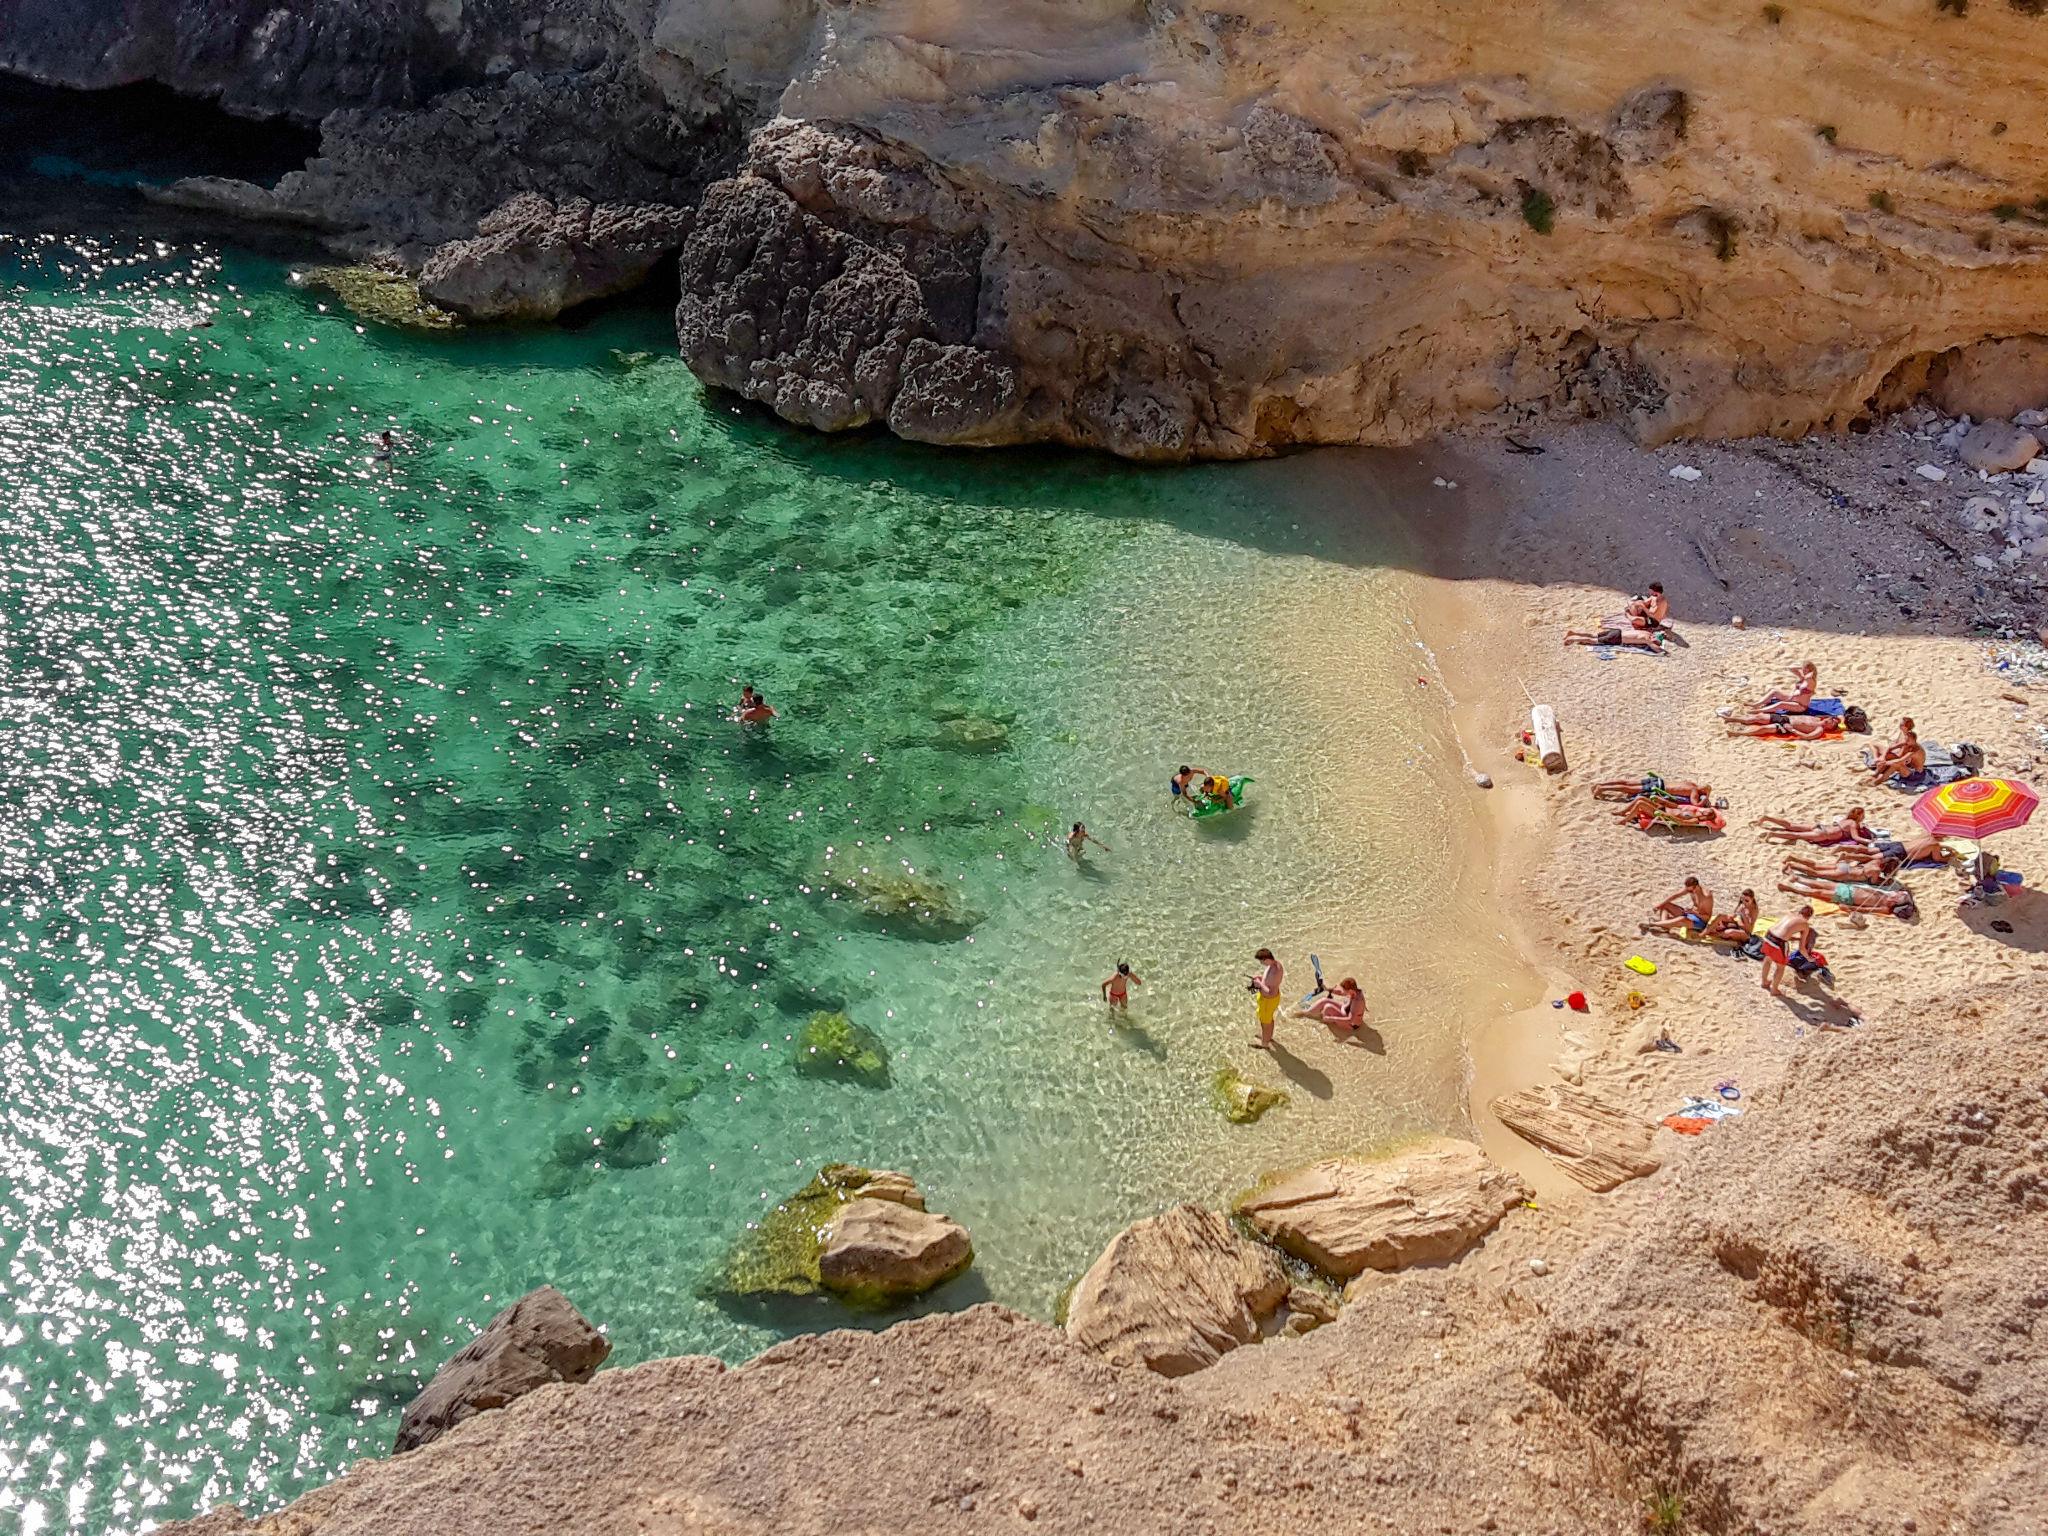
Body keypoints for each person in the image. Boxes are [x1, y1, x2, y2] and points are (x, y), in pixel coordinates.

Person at [1777, 876, 1917, 919]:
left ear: (1897, 902)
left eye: (1899, 896)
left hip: (1847, 897)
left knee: (1816, 892)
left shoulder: (1886, 907)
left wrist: (1849, 908)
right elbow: (1906, 891)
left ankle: (1790, 888)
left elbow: (1866, 910)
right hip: (1849, 888)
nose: (1897, 893)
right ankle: (1798, 879)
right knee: (1818, 883)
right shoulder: (1889, 896)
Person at [1759, 907, 1814, 995]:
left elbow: (1781, 932)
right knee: (1780, 967)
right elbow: (1801, 948)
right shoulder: (1805, 924)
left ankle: (1764, 982)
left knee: (1768, 959)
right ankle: (1774, 990)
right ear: (1809, 917)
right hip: (1779, 943)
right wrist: (1809, 958)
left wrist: (1795, 938)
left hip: (1769, 935)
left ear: (1799, 911)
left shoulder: (1789, 914)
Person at [1757, 808, 1872, 846]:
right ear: (1859, 816)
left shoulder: (1845, 819)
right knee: (1796, 835)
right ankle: (1773, 834)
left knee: (1791, 825)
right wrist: (1869, 841)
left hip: (1821, 827)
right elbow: (1856, 838)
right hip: (1823, 834)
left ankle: (1767, 818)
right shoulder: (1853, 824)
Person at [1641, 876, 1714, 936]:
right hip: (1690, 914)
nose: (1689, 892)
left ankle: (1653, 924)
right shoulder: (1691, 889)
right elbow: (1676, 895)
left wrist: (1693, 912)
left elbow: (1707, 917)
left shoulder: (1706, 897)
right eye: (1688, 890)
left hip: (1700, 921)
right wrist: (1659, 905)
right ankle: (1664, 925)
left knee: (1681, 919)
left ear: (1696, 886)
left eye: (1691, 891)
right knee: (1665, 905)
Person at [1297, 976, 1368, 1036]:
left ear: (1350, 990)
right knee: (1324, 1000)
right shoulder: (1355, 991)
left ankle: (1323, 1018)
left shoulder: (1357, 1002)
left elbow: (1350, 1020)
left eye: (1344, 990)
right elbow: (1342, 993)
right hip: (1346, 1010)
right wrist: (1328, 990)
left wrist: (1332, 1018)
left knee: (1328, 1008)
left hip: (1351, 1025)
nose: (1343, 992)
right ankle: (1306, 1012)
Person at [1781, 850, 1898, 884]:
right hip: (1845, 874)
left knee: (1816, 865)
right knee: (1815, 873)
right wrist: (1885, 880)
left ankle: (1793, 858)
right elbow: (1873, 882)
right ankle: (1792, 865)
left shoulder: (1876, 861)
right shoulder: (1877, 870)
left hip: (1845, 867)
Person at [1865, 718, 1925, 784]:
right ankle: (1876, 775)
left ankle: (1877, 781)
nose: (1906, 741)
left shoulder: (1915, 749)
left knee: (1895, 764)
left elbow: (1900, 760)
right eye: (1906, 740)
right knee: (1892, 763)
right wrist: (1883, 757)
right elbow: (1891, 747)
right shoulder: (1907, 741)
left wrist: (1884, 762)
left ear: (1914, 740)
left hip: (1915, 774)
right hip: (1906, 766)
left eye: (1901, 724)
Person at [1613, 796, 1726, 831]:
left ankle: (1624, 821)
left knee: (1640, 804)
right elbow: (1676, 806)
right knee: (1641, 798)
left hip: (1662, 814)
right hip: (1663, 808)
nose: (1704, 809)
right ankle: (1623, 812)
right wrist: (1663, 801)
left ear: (1706, 815)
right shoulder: (1693, 810)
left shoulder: (1696, 819)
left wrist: (1668, 816)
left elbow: (1682, 822)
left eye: (1707, 811)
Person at [1746, 662, 1819, 714]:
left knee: (1780, 704)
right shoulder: (1803, 678)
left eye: (1806, 670)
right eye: (1803, 670)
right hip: (1791, 699)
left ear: (1810, 671)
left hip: (1800, 706)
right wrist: (1801, 667)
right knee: (1774, 691)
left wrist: (1811, 671)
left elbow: (1809, 676)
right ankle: (1757, 704)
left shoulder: (1811, 681)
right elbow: (1790, 668)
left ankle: (1759, 711)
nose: (1804, 671)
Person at [1247, 947, 1283, 1050]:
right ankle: (1268, 1037)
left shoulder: (1275, 972)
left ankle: (1264, 1044)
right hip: (1269, 1000)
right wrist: (1261, 979)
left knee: (1265, 1023)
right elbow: (1270, 983)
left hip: (1268, 1001)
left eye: (1261, 961)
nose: (1261, 963)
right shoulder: (1275, 964)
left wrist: (1259, 984)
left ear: (1266, 960)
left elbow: (1270, 992)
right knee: (1269, 1020)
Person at [1592, 775, 1712, 804]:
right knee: (1628, 789)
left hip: (1659, 780)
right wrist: (1705, 798)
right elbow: (1696, 804)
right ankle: (1602, 789)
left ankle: (1601, 784)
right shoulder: (1694, 792)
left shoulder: (1691, 783)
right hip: (1659, 787)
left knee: (1627, 782)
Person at [1564, 624, 1664, 651]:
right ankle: (1572, 639)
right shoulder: (1646, 639)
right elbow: (1656, 648)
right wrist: (1663, 652)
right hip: (1616, 638)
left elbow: (1659, 635)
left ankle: (1573, 633)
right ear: (1653, 638)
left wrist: (1663, 635)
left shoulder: (1646, 632)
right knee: (1592, 641)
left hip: (1616, 631)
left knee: (1593, 635)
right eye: (1657, 641)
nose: (1656, 643)